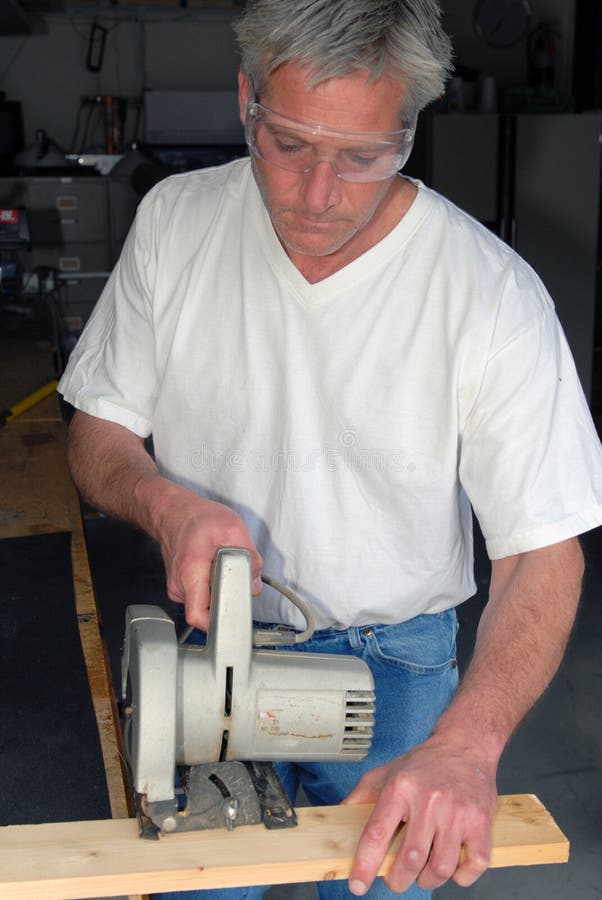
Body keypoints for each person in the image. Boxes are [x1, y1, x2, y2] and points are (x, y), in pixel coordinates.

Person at [58, 1, 602, 897]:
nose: (318, 195)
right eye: (291, 147)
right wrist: (167, 504)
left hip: (398, 668)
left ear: (409, 132)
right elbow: (100, 429)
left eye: (360, 157)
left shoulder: (489, 294)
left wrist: (466, 745)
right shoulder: (176, 225)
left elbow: (544, 551)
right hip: (213, 647)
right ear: (247, 102)